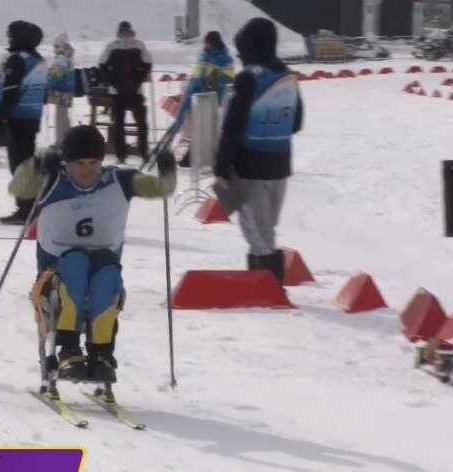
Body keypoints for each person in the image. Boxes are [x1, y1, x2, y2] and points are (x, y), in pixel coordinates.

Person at [29, 126, 176, 394]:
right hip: (54, 281)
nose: (87, 171)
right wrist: (38, 164)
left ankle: (101, 352)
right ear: (66, 163)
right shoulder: (52, 181)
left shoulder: (119, 181)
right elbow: (19, 187)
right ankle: (68, 349)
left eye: (94, 163)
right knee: (74, 262)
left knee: (108, 272)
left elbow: (162, 188)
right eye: (79, 164)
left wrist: (168, 171)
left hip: (101, 275)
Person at [212, 17, 304, 285]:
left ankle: (267, 287)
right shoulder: (288, 77)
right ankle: (269, 283)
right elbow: (296, 123)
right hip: (280, 164)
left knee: (255, 230)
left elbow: (232, 128)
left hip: (250, 166)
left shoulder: (247, 79)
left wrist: (221, 168)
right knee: (267, 229)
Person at [0, 20, 47, 225]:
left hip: (16, 118)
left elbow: (9, 91)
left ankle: (25, 209)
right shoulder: (40, 60)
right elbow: (44, 93)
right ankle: (31, 205)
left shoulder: (17, 59)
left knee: (18, 166)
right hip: (33, 117)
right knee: (28, 163)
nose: (9, 38)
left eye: (11, 35)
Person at [173, 30, 235, 167]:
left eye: (207, 43)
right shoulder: (203, 56)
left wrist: (211, 82)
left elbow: (228, 81)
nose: (205, 45)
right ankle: (192, 158)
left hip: (212, 100)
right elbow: (196, 77)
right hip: (198, 98)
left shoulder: (225, 60)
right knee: (199, 129)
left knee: (207, 131)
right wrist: (192, 89)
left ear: (213, 43)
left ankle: (201, 158)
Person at [99, 21, 152, 163]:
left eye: (127, 32)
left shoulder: (139, 45)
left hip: (136, 91)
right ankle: (121, 155)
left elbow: (148, 64)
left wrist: (139, 80)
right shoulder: (112, 46)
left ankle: (144, 151)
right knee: (118, 124)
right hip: (117, 92)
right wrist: (112, 82)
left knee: (142, 122)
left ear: (131, 32)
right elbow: (102, 65)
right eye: (123, 32)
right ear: (119, 33)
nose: (125, 35)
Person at [48, 32, 76, 147]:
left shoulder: (60, 58)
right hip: (67, 91)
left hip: (59, 91)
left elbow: (56, 75)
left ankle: (61, 140)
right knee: (64, 116)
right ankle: (68, 138)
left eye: (55, 46)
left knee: (60, 117)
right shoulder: (68, 58)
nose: (54, 49)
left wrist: (48, 73)